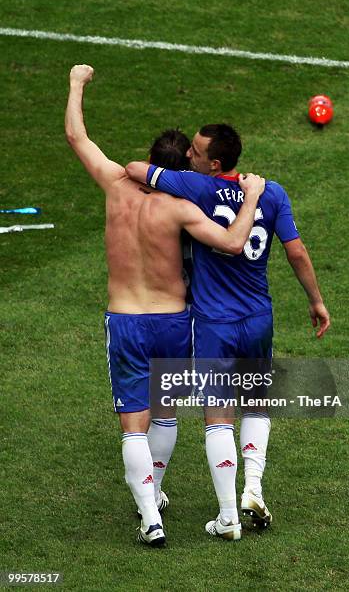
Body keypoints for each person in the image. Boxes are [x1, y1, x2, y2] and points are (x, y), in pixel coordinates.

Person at [65, 66, 266, 547]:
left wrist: (77, 83)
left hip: (126, 319)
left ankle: (151, 516)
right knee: (168, 414)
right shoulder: (180, 207)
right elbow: (235, 243)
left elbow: (76, 135)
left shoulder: (115, 185)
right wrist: (252, 196)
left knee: (134, 423)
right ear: (179, 170)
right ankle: (156, 492)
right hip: (175, 322)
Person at [126, 123, 331, 541]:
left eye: (196, 152)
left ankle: (227, 518)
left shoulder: (195, 189)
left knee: (217, 418)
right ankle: (253, 488)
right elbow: (295, 249)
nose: (188, 156)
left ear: (214, 162)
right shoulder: (271, 191)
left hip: (215, 323)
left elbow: (135, 169)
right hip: (259, 317)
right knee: (256, 403)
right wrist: (315, 300)